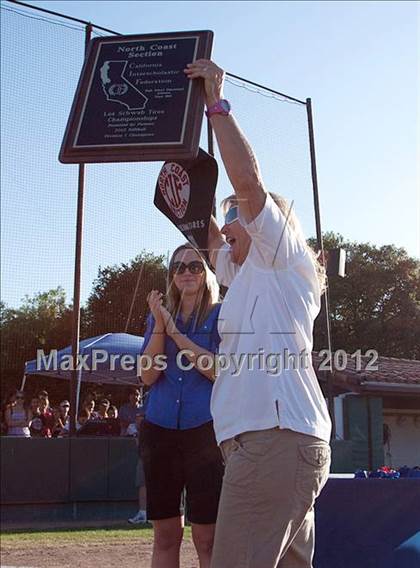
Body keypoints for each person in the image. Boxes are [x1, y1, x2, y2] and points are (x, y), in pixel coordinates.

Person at [185, 60, 332, 568]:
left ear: (272, 223)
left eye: (237, 218)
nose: (228, 226)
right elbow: (200, 230)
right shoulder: (242, 273)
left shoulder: (280, 256)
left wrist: (215, 105)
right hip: (279, 448)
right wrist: (172, 150)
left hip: (274, 445)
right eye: (226, 220)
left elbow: (247, 183)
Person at [139, 243, 224, 568]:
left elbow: (217, 371)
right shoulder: (158, 316)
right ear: (171, 276)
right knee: (165, 536)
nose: (187, 272)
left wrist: (177, 334)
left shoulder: (220, 314)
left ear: (206, 274)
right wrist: (161, 326)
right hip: (159, 432)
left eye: (195, 265)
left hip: (204, 434)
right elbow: (148, 376)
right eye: (179, 267)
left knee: (207, 538)